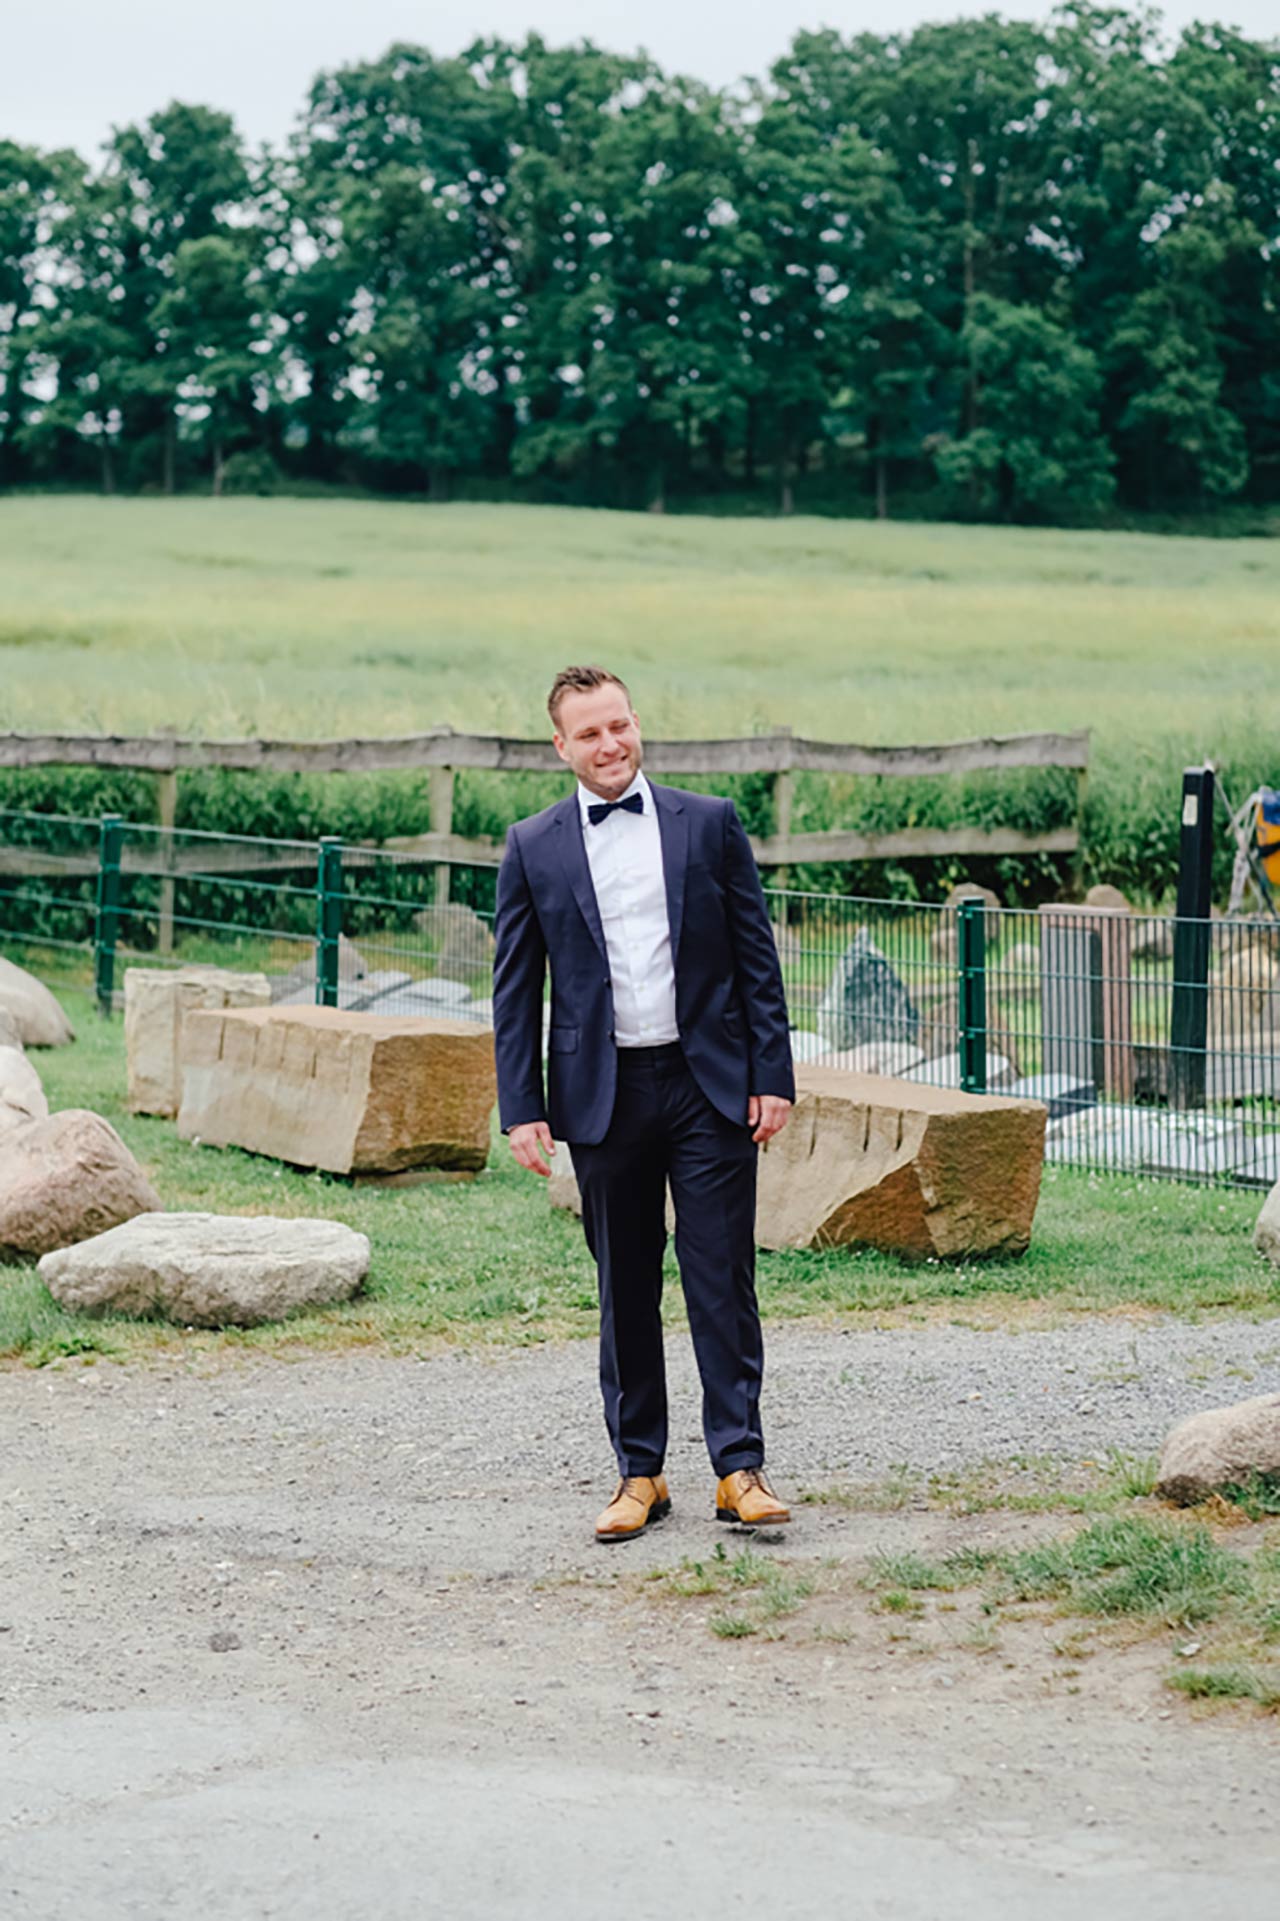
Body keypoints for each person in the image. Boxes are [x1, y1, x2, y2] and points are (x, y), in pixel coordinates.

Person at [492, 665, 795, 1543]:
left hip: (709, 1085)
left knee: (720, 1280)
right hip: (603, 1096)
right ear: (560, 746)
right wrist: (524, 1105)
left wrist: (771, 1075)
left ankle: (740, 1468)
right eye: (589, 733)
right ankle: (640, 1473)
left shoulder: (709, 824)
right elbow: (518, 989)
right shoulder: (532, 845)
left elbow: (756, 959)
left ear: (637, 725)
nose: (610, 744)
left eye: (619, 725)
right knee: (624, 1287)